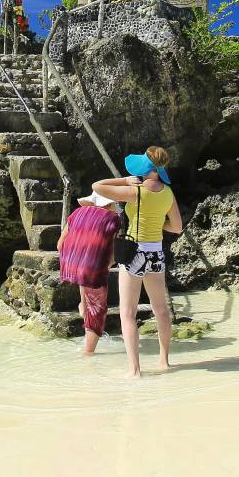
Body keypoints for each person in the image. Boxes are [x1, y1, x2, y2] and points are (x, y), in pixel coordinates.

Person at [92, 146, 183, 376]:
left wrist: (125, 181)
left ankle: (135, 370)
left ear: (145, 168)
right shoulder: (168, 193)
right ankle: (164, 361)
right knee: (161, 310)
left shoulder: (136, 191)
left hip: (134, 252)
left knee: (128, 313)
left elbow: (97, 187)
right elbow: (177, 227)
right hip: (156, 253)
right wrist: (156, 223)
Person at [57, 191, 121, 356]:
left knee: (86, 280)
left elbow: (59, 245)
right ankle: (88, 354)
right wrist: (107, 265)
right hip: (91, 268)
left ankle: (83, 306)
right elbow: (114, 251)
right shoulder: (113, 219)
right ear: (110, 203)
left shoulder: (76, 213)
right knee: (97, 309)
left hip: (69, 264)